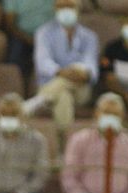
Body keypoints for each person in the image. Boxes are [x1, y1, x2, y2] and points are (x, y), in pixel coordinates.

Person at [60, 91, 128, 193]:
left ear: (122, 117)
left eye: (115, 114)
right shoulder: (79, 139)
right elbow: (69, 175)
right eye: (106, 113)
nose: (110, 117)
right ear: (96, 114)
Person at [22, 0, 97, 130]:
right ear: (55, 9)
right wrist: (62, 72)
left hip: (81, 88)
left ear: (78, 8)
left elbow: (91, 65)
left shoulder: (90, 36)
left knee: (79, 68)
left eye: (70, 6)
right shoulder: (43, 32)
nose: (66, 10)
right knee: (63, 97)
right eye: (62, 6)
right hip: (50, 83)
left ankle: (40, 100)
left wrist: (83, 73)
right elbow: (43, 63)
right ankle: (65, 140)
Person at [1, 0, 53, 79]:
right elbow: (10, 24)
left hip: (50, 37)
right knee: (15, 57)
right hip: (21, 36)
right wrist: (27, 38)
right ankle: (14, 85)